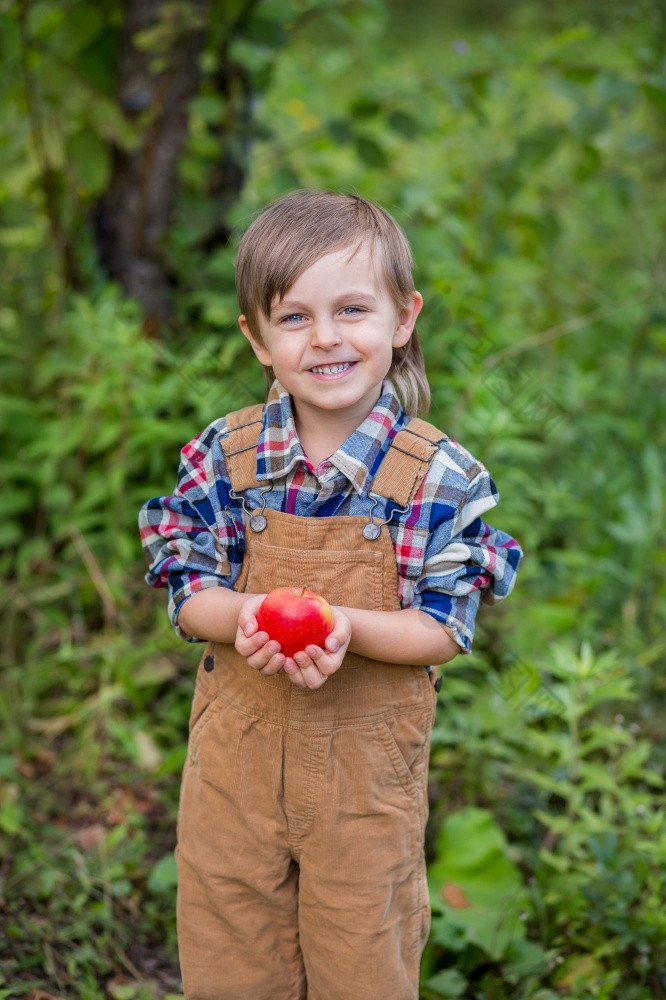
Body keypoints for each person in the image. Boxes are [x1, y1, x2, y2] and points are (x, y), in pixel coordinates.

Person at [138, 190, 522, 1000]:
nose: (326, 338)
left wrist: (344, 626)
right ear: (257, 338)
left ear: (404, 317)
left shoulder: (439, 476)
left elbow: (445, 626)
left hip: (364, 789)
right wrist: (243, 614)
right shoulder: (224, 456)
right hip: (234, 776)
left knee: (363, 953)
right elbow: (186, 588)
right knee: (229, 942)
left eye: (352, 309)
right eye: (295, 318)